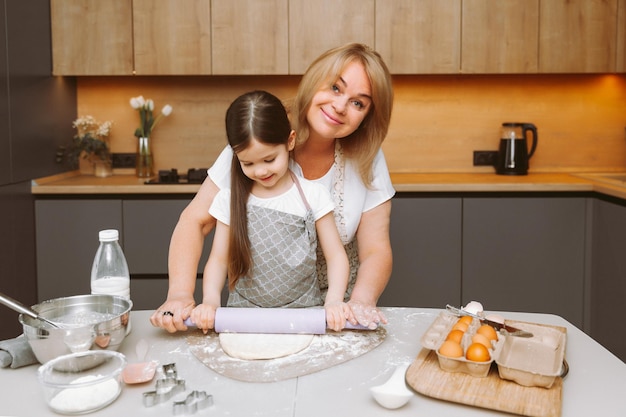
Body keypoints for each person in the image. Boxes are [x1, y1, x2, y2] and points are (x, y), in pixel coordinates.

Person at [151, 43, 395, 332]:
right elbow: (194, 220)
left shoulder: (369, 156)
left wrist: (359, 302)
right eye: (335, 88)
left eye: (358, 103)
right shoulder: (260, 136)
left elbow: (376, 250)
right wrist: (180, 295)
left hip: (333, 316)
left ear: (368, 116)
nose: (340, 106)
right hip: (254, 313)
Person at [189, 90, 352, 332]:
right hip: (243, 319)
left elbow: (336, 256)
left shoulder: (313, 196)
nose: (260, 171)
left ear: (290, 141)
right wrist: (210, 302)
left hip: (304, 316)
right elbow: (218, 260)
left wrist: (334, 301)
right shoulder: (229, 200)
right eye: (248, 163)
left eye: (269, 159)